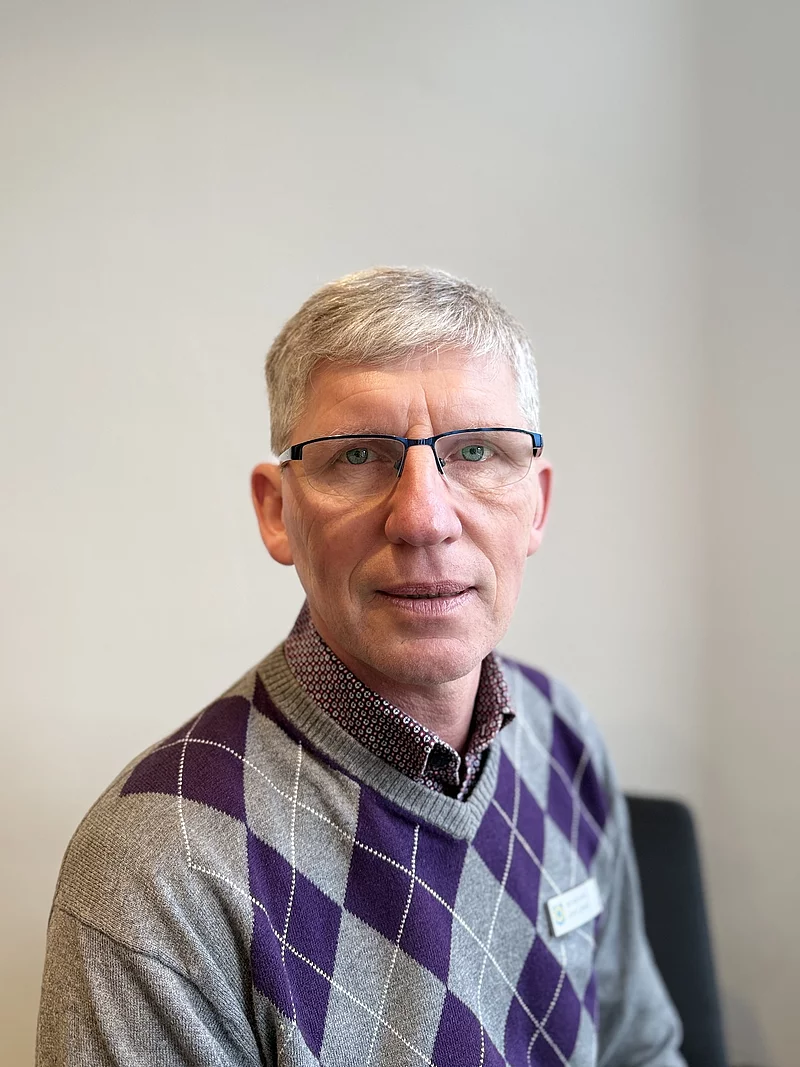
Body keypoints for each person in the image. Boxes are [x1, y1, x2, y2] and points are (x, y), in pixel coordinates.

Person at [37, 267, 685, 1066]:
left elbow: (640, 1048)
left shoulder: (562, 736)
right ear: (277, 511)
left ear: (537, 505)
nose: (423, 518)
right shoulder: (160, 867)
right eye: (358, 456)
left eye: (475, 450)